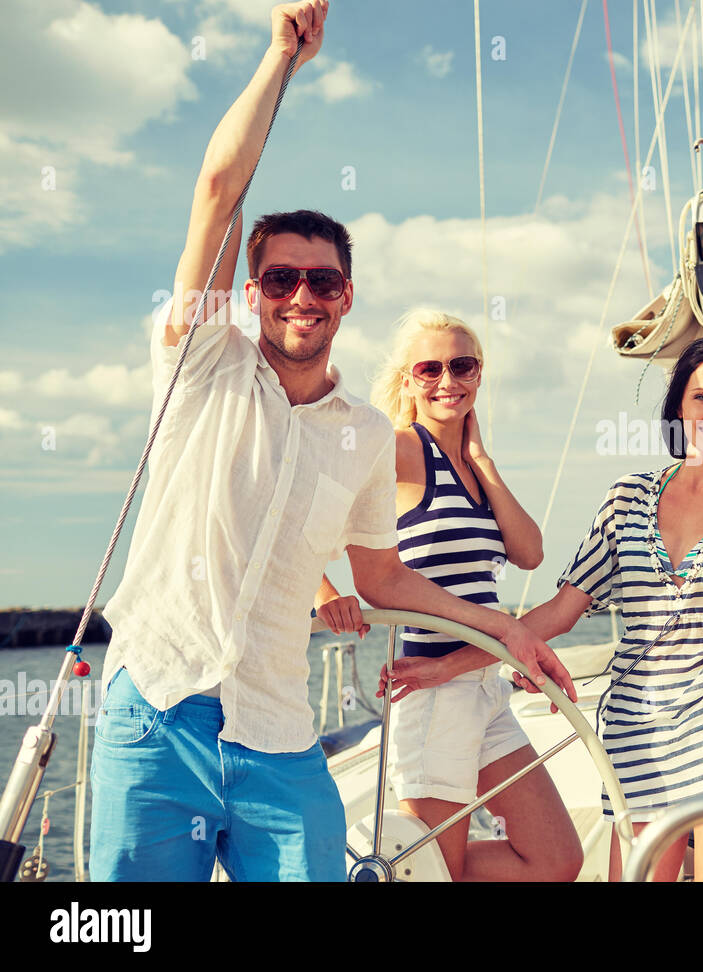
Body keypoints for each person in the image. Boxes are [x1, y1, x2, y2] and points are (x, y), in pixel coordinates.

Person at [90, 2, 570, 882]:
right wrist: (282, 60)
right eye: (280, 278)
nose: (300, 295)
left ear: (347, 296)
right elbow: (216, 191)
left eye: (322, 280)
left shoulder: (363, 435)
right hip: (155, 709)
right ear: (252, 289)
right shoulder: (202, 367)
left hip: (277, 730)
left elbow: (382, 577)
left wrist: (503, 627)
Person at [516, 335, 703, 881]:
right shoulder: (626, 499)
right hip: (637, 731)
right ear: (678, 404)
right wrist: (461, 654)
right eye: (702, 397)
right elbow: (561, 611)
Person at [317, 309, 582, 881]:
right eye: (429, 368)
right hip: (430, 688)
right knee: (431, 869)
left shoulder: (471, 464)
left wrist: (482, 460)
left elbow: (529, 552)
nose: (447, 381)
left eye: (462, 366)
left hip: (486, 685)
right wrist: (323, 590)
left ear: (479, 374)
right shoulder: (397, 448)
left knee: (557, 860)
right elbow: (302, 508)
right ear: (408, 379)